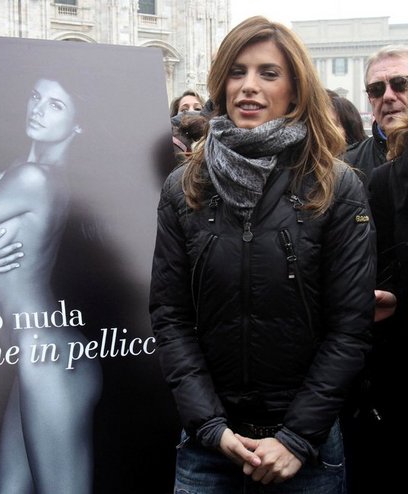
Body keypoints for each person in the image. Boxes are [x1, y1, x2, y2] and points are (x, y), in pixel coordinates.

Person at [149, 16, 375, 493]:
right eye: (237, 71)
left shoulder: (336, 186)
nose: (248, 86)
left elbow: (350, 326)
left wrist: (296, 438)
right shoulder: (183, 187)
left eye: (268, 73)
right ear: (222, 84)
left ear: (294, 91)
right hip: (209, 448)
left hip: (305, 451)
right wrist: (210, 427)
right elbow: (170, 316)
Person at [0, 75, 102, 493]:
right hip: (34, 356)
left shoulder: (33, 178)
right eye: (35, 97)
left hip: (49, 359)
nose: (37, 110)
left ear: (79, 122)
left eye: (56, 105)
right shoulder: (26, 171)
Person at [345, 114, 408, 494]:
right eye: (376, 89)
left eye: (400, 86)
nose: (388, 96)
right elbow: (379, 267)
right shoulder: (383, 179)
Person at [344, 45, 408, 187]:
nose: (388, 96)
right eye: (376, 89)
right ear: (369, 99)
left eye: (400, 83)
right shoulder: (346, 167)